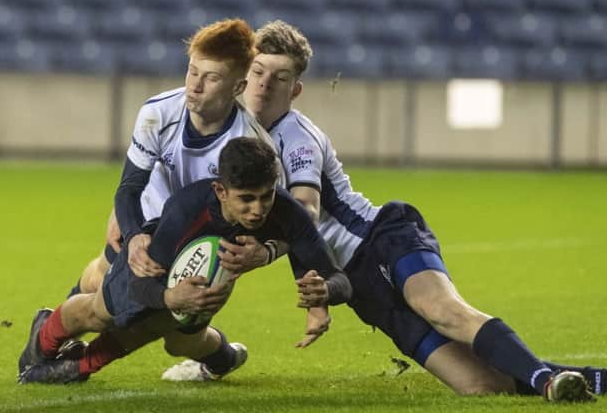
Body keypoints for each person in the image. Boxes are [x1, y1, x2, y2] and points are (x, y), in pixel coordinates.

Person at [164, 20, 603, 403]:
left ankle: (545, 381)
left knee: (442, 309)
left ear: (295, 89)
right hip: (356, 283)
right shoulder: (237, 138)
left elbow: (305, 209)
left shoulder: (296, 138)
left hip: (381, 239)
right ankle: (583, 380)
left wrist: (268, 253)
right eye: (258, 71)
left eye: (280, 77)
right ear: (244, 76)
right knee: (478, 385)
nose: (264, 84)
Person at [18, 137, 351, 384]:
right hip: (153, 265)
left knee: (179, 340)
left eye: (265, 196)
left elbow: (338, 278)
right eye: (246, 199)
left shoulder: (285, 211)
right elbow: (141, 284)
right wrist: (169, 297)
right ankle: (40, 347)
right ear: (221, 191)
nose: (259, 209)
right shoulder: (186, 211)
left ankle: (225, 358)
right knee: (102, 314)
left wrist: (325, 293)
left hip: (205, 275)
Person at [72, 17, 282, 297]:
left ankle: (218, 344)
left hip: (205, 240)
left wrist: (263, 253)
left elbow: (280, 216)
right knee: (100, 282)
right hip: (148, 219)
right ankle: (52, 327)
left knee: (177, 331)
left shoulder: (251, 144)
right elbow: (130, 187)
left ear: (237, 88)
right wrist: (132, 232)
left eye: (211, 78)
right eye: (193, 72)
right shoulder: (157, 114)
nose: (195, 86)